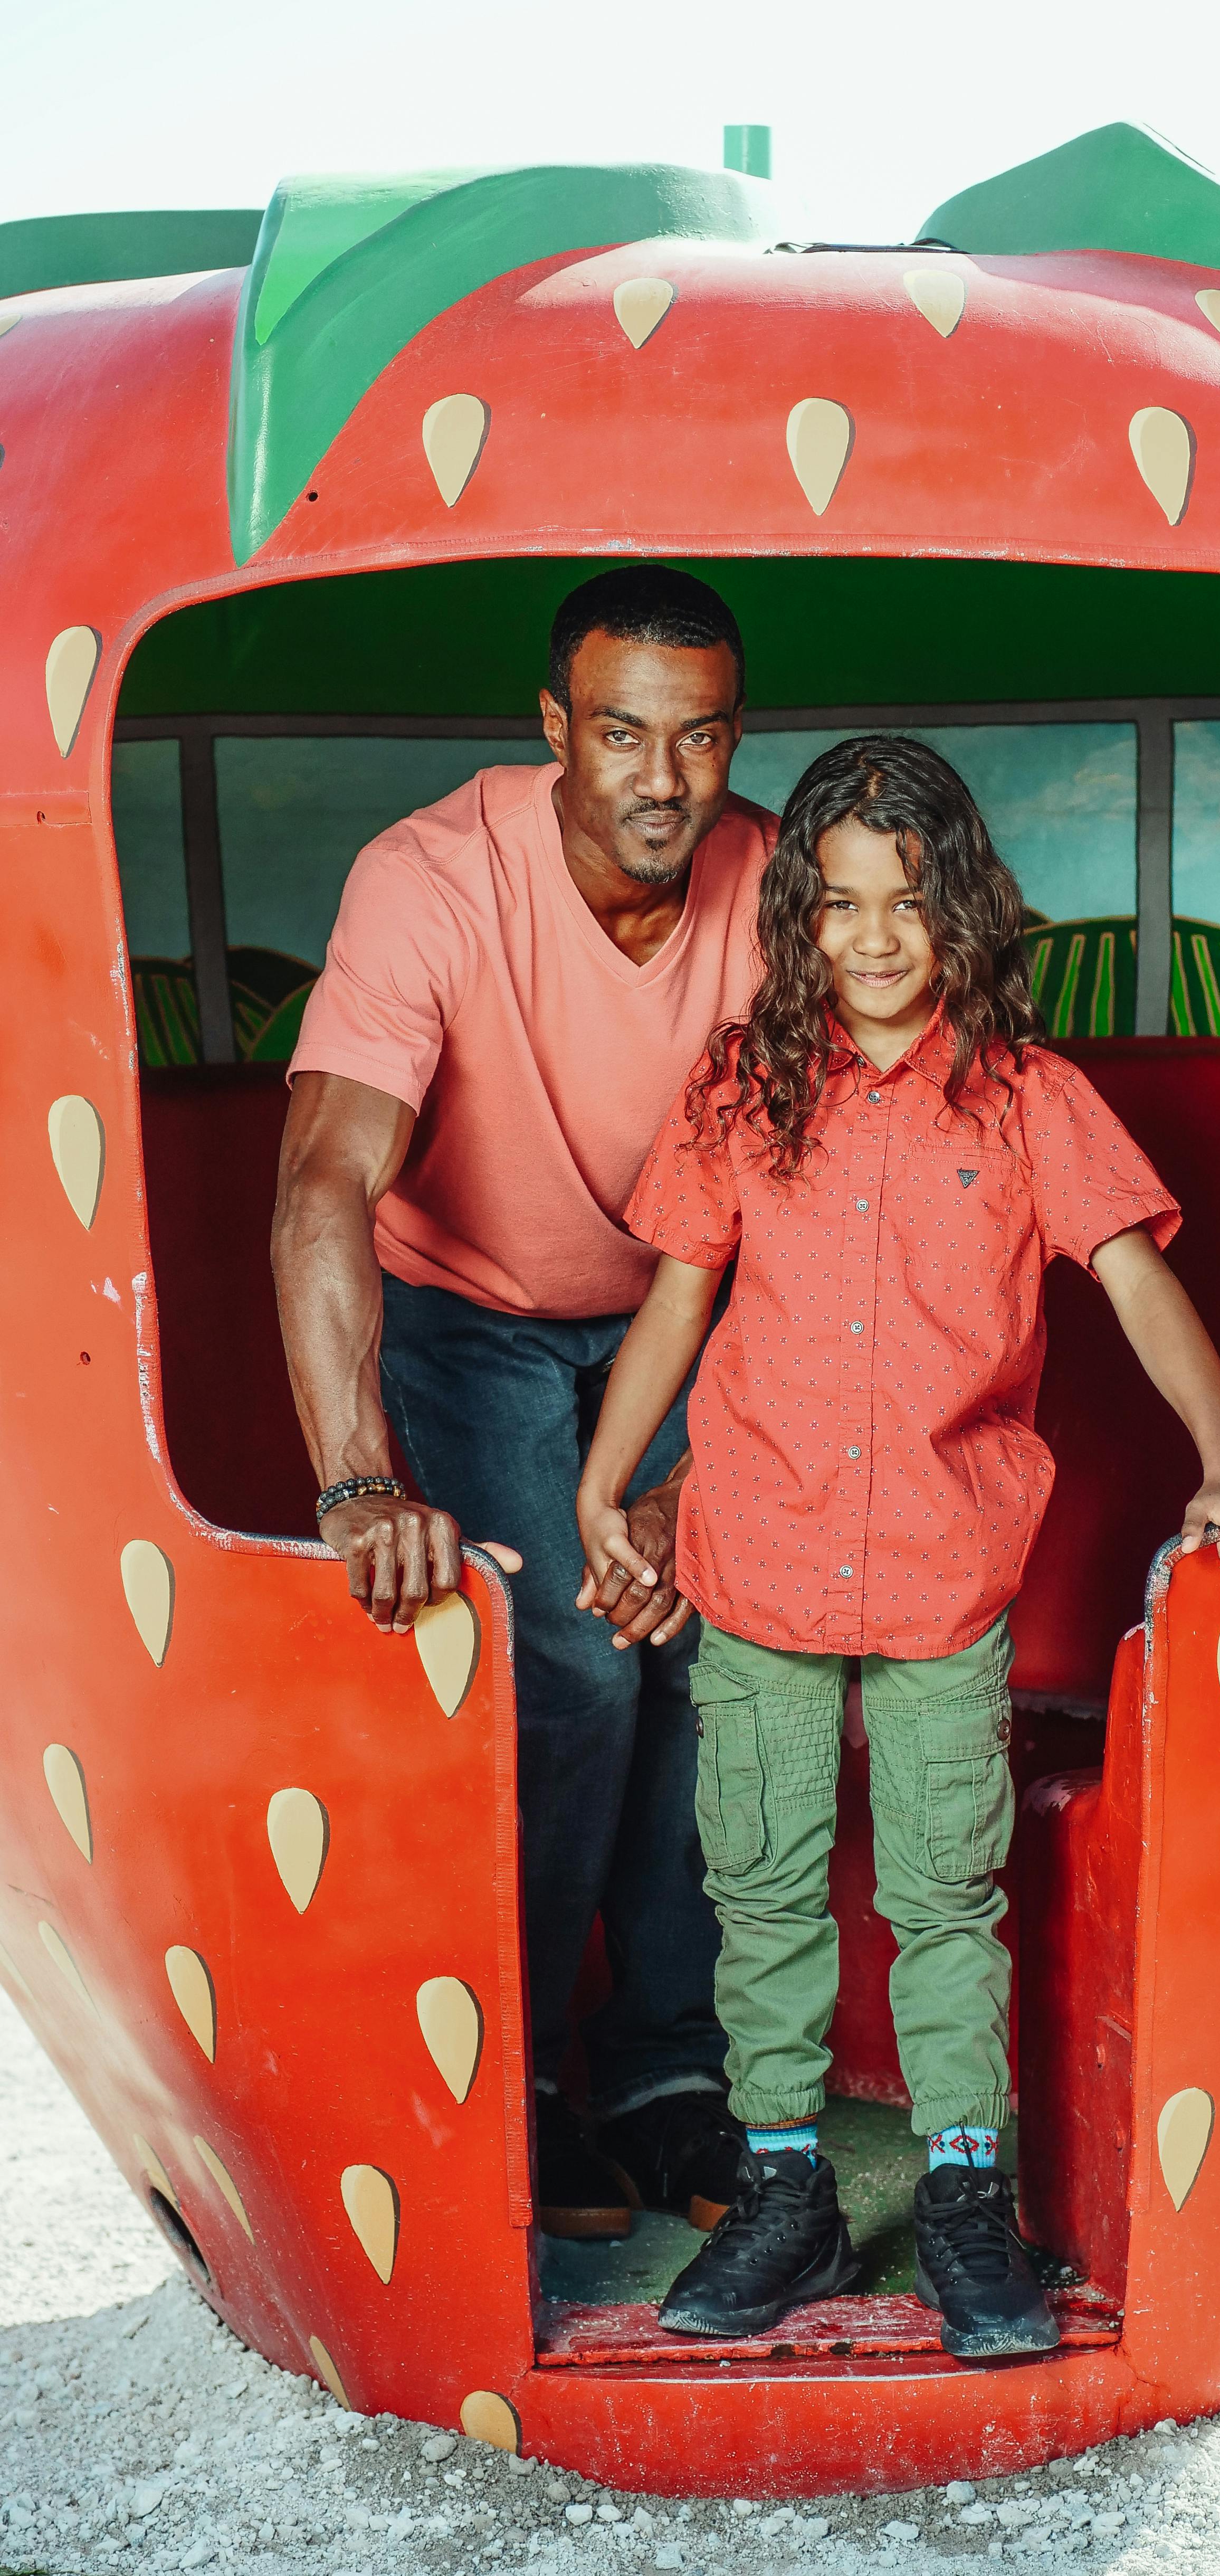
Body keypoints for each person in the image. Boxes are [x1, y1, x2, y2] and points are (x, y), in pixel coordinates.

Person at [575, 733, 1220, 2355]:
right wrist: (603, 1483)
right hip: (752, 1552)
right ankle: (786, 2198)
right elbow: (679, 1290)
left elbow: (1137, 1282)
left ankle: (969, 2203)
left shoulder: (1035, 1099)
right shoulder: (740, 1089)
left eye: (908, 902)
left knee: (944, 1893)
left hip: (940, 1570)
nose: (877, 937)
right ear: (800, 923)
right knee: (757, 1891)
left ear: (961, 907)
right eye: (839, 907)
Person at [272, 564, 777, 2238]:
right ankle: (531, 2084)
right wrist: (357, 1484)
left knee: (703, 1640)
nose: (661, 777)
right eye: (621, 731)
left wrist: (680, 1488)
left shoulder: (768, 877)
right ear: (555, 727)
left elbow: (825, 1200)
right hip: (472, 1310)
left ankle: (666, 2078)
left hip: (691, 1313)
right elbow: (325, 1182)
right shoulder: (429, 879)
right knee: (563, 1659)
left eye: (697, 737)